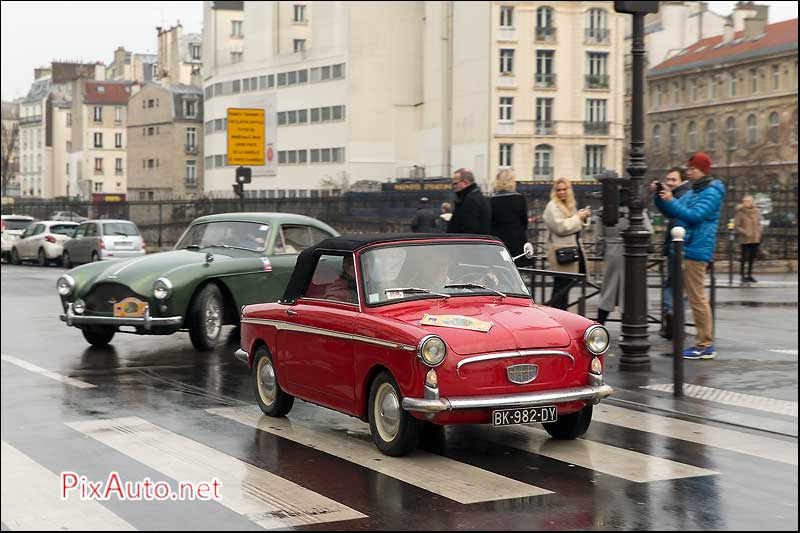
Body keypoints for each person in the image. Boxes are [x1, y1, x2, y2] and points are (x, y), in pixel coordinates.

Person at [652, 152, 725, 360]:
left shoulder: (711, 192)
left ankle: (705, 345)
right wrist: (660, 197)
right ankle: (700, 342)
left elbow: (694, 216)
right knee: (690, 297)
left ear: (703, 170)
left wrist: (671, 201)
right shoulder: (694, 191)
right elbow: (672, 211)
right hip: (684, 249)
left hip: (695, 250)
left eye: (692, 169)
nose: (689, 171)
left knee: (697, 298)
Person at [596, 206, 653, 325]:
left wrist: (603, 251)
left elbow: (599, 235)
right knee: (630, 293)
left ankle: (599, 326)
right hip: (633, 253)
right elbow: (649, 230)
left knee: (608, 293)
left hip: (611, 253)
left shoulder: (605, 208)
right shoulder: (636, 208)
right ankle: (628, 326)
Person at [543, 178, 591, 311]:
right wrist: (579, 218)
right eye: (558, 190)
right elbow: (561, 227)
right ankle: (556, 316)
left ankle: (562, 315)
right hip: (561, 253)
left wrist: (583, 217)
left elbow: (575, 226)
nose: (562, 192)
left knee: (565, 288)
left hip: (571, 252)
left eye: (564, 189)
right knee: (560, 288)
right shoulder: (552, 206)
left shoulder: (570, 205)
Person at [659, 167, 692, 339]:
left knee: (674, 286)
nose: (670, 183)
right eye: (668, 180)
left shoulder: (682, 195)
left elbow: (676, 218)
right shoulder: (678, 194)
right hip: (676, 246)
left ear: (682, 181)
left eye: (673, 180)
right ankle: (675, 322)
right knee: (678, 286)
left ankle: (672, 316)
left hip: (679, 248)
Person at [490, 169, 529, 265]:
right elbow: (524, 223)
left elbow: (490, 223)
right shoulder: (519, 199)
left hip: (499, 245)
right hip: (517, 243)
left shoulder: (492, 200)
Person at [447, 168, 491, 235]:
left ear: (465, 182)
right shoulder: (474, 197)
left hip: (467, 243)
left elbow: (468, 229)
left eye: (455, 183)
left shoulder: (471, 201)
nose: (453, 186)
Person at [734, 194, 762, 283]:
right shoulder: (740, 212)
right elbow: (737, 226)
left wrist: (759, 232)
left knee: (752, 258)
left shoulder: (757, 211)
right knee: (744, 257)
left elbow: (759, 223)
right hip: (745, 239)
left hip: (755, 238)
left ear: (751, 202)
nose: (746, 202)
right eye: (744, 201)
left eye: (748, 201)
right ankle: (742, 275)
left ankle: (749, 275)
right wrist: (745, 232)